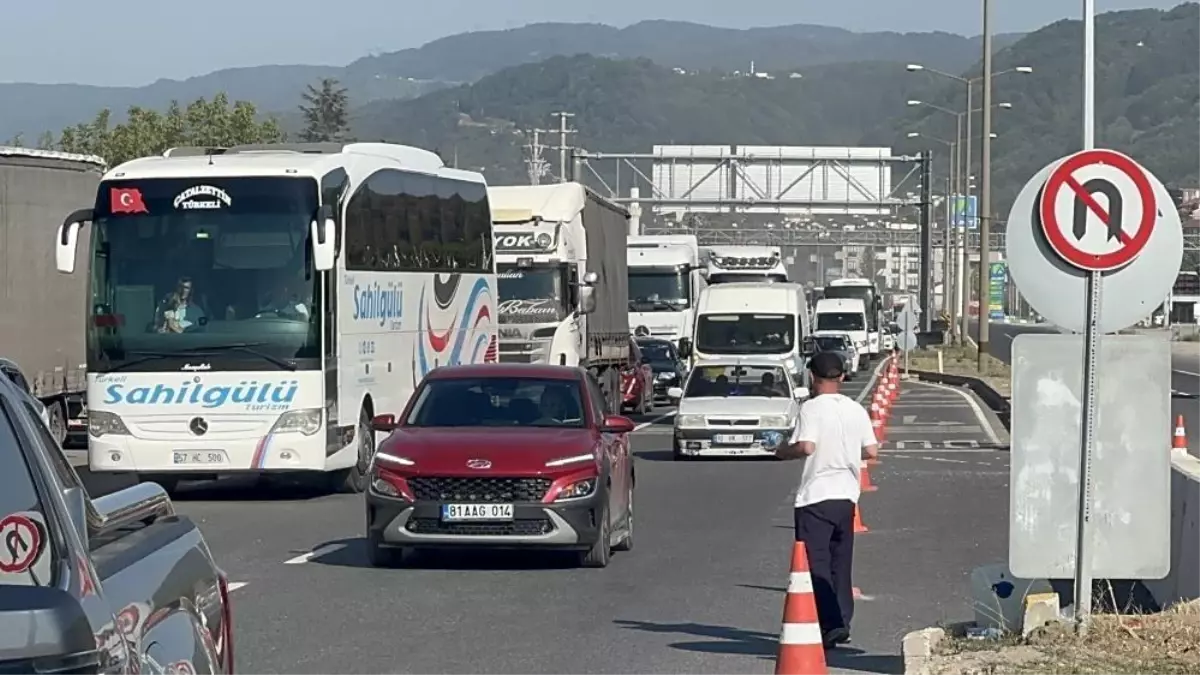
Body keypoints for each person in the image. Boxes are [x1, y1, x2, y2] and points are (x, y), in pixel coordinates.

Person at [773, 351, 879, 648]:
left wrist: (783, 450)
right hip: (846, 495)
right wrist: (845, 454)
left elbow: (806, 446)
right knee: (840, 563)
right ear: (842, 377)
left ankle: (831, 623)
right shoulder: (855, 409)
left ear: (812, 376)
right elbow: (871, 452)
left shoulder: (811, 409)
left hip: (815, 497)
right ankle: (843, 620)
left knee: (814, 563)